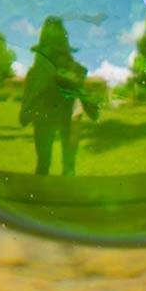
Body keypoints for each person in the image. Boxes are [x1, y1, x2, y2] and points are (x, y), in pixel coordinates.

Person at [20, 17, 96, 176]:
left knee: (63, 167)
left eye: (58, 52)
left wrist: (77, 85)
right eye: (50, 52)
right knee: (46, 165)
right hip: (46, 117)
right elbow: (24, 116)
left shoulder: (69, 70)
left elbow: (93, 111)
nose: (55, 59)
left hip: (65, 119)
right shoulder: (37, 73)